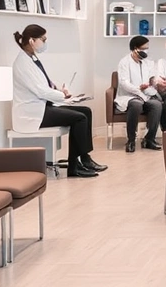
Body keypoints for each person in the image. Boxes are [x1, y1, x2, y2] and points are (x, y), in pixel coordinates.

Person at [11, 24, 106, 178]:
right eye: (43, 39)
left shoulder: (32, 58)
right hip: (32, 114)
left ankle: (85, 158)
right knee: (80, 118)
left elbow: (43, 84)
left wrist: (59, 91)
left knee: (86, 111)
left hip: (42, 107)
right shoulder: (22, 63)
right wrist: (63, 96)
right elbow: (40, 90)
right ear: (32, 40)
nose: (45, 43)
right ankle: (74, 166)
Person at [115, 35, 163, 153]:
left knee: (156, 105)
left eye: (147, 48)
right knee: (136, 105)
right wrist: (138, 89)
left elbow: (152, 77)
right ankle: (131, 140)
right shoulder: (124, 62)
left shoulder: (148, 62)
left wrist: (154, 81)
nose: (146, 51)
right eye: (143, 48)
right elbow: (124, 83)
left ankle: (149, 139)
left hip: (146, 95)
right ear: (135, 48)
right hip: (129, 95)